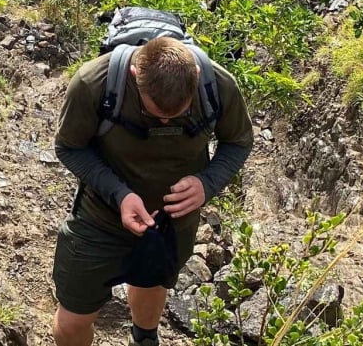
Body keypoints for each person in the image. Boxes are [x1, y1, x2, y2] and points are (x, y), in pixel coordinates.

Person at [51, 37, 255, 346]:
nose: (164, 120)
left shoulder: (217, 86)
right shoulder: (95, 83)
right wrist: (119, 194)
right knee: (71, 323)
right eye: (157, 112)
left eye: (176, 114)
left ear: (196, 76)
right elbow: (68, 146)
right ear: (135, 75)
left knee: (152, 282)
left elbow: (239, 141)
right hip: (100, 220)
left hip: (173, 224)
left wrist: (206, 183)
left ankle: (144, 337)